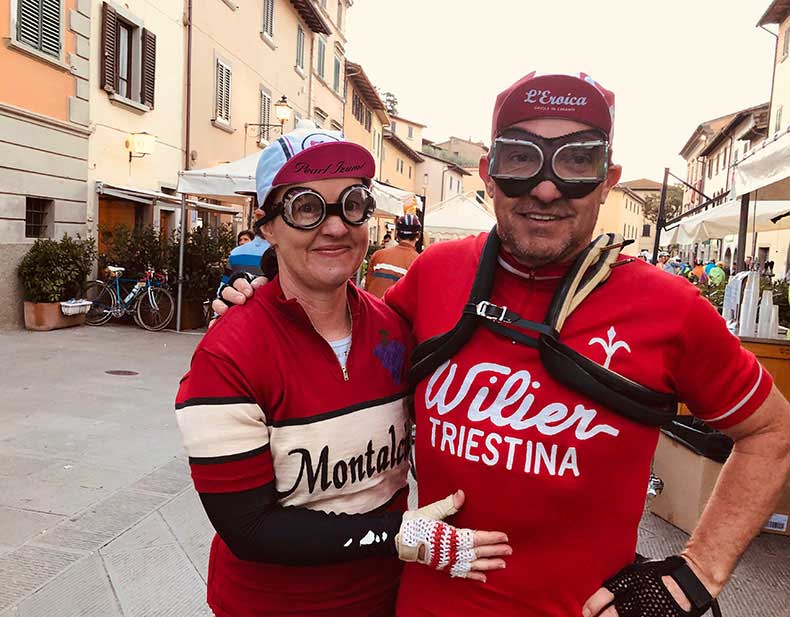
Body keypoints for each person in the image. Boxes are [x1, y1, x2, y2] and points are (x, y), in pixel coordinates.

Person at [215, 72, 790, 617]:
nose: (545, 187)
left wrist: (697, 574)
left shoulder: (671, 308)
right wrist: (262, 305)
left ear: (608, 178)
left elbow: (772, 431)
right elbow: (345, 338)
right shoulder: (436, 274)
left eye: (577, 161)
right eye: (521, 158)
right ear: (488, 173)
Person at [176, 127, 511, 617]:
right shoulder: (227, 356)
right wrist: (397, 534)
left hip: (386, 598)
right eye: (307, 207)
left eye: (351, 203)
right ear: (267, 224)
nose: (335, 227)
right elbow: (248, 530)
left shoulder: (393, 331)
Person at [365, 214, 422, 298]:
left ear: (397, 234)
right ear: (418, 235)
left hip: (371, 307)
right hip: (394, 310)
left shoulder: (378, 255)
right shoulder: (419, 262)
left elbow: (367, 287)